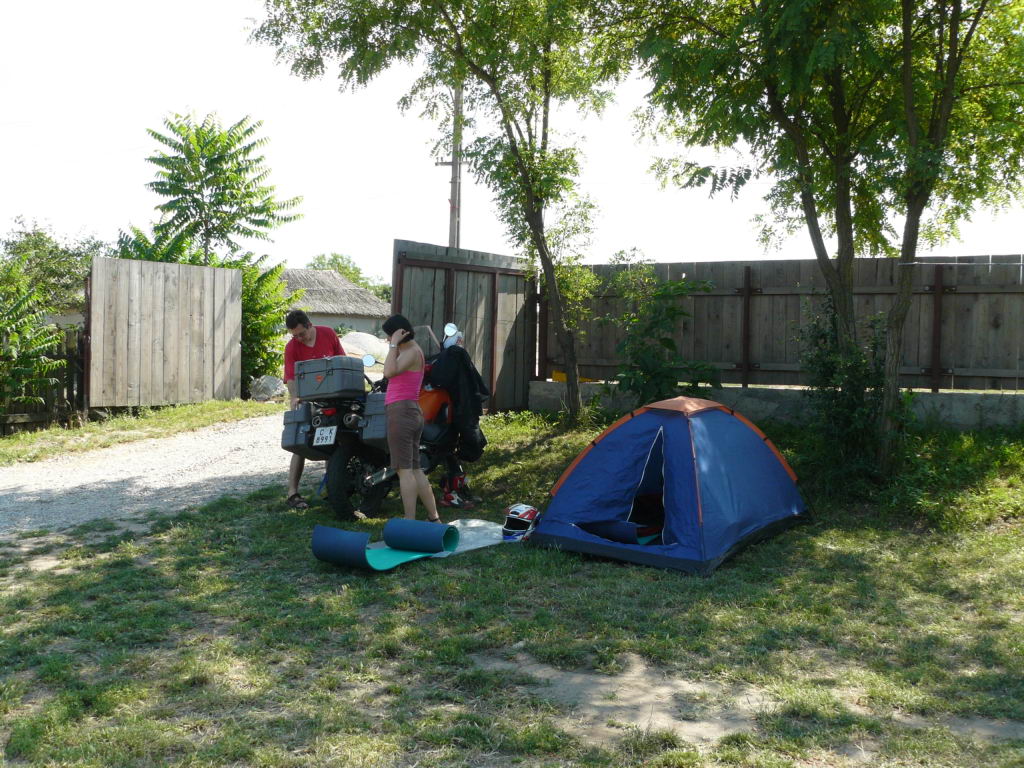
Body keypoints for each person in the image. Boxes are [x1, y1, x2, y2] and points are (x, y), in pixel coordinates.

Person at [382, 314, 443, 523]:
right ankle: (434, 518)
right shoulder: (409, 350)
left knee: (404, 470)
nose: (388, 339)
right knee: (415, 469)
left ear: (399, 334)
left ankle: (410, 521)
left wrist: (392, 345)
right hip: (409, 412)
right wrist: (395, 346)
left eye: (389, 335)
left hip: (402, 412)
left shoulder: (410, 352)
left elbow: (388, 372)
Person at [283, 309, 344, 509]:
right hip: (307, 399)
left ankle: (330, 487)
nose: (299, 338)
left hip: (333, 398)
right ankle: (293, 492)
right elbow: (291, 376)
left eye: (302, 333)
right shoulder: (292, 347)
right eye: (295, 336)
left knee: (334, 440)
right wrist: (294, 397)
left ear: (310, 325)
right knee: (300, 443)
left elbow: (341, 362)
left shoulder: (328, 333)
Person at [428, 330, 489, 508]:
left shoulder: (451, 356)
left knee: (449, 450)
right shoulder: (454, 355)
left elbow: (441, 379)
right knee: (449, 449)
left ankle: (453, 490)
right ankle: (452, 491)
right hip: (458, 413)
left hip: (455, 413)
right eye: (460, 340)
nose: (462, 342)